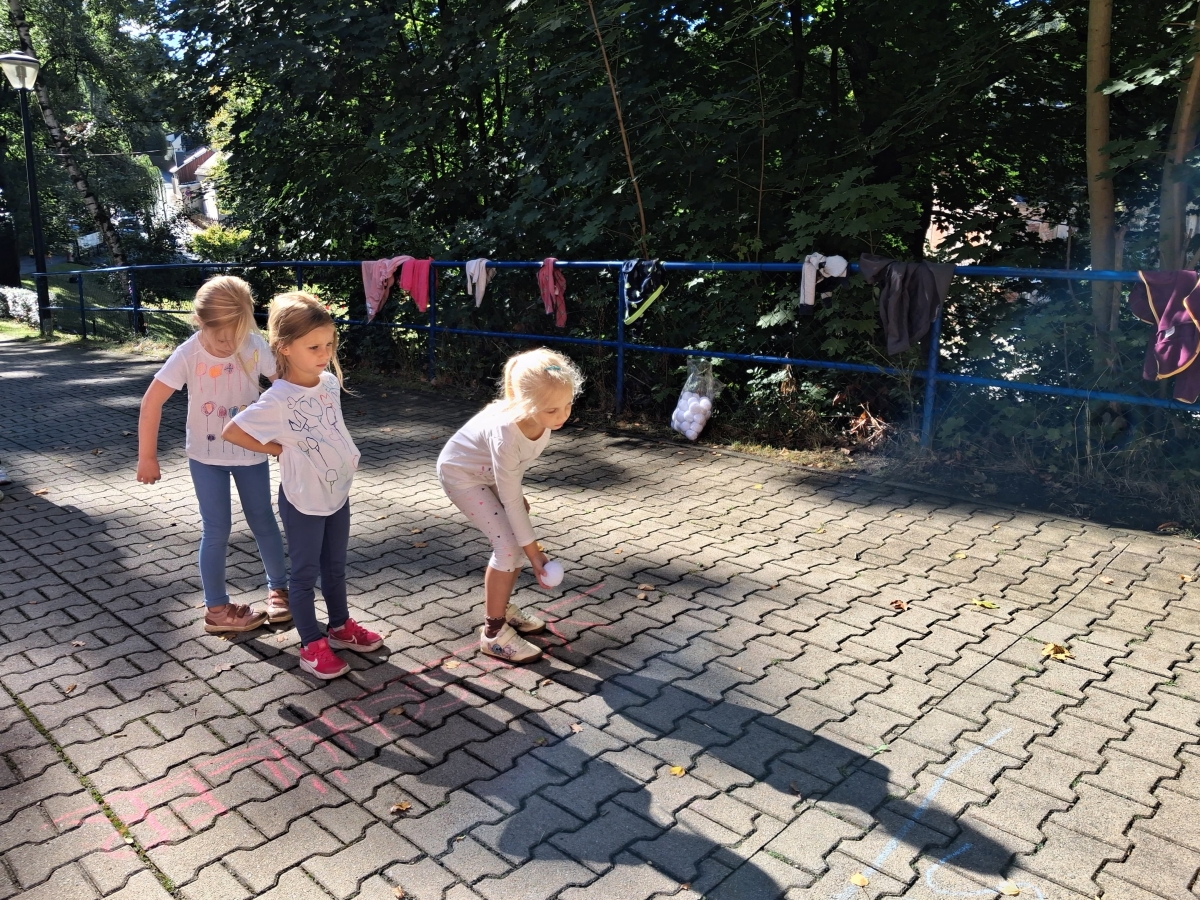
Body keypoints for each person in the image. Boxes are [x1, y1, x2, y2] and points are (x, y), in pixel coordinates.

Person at [222, 292, 382, 679]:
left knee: (336, 567)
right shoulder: (277, 398)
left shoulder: (327, 383)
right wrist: (279, 448)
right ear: (285, 347)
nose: (324, 354)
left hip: (336, 493)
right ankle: (311, 644)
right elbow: (232, 431)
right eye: (313, 347)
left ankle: (340, 627)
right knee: (305, 574)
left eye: (329, 344)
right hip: (302, 499)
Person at [136, 275, 288, 634]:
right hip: (205, 458)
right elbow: (151, 402)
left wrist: (287, 438)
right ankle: (217, 609)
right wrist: (147, 456)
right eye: (220, 338)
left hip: (250, 453)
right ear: (199, 322)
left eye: (236, 335)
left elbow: (284, 388)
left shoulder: (254, 345)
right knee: (216, 529)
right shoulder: (188, 353)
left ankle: (280, 591)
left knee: (263, 519)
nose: (229, 344)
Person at [437, 347, 583, 663]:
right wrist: (536, 555)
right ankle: (493, 634)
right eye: (552, 410)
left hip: (486, 472)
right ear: (525, 404)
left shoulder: (541, 420)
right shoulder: (506, 433)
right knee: (508, 546)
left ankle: (501, 608)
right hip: (461, 476)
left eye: (568, 405)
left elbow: (514, 480)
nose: (562, 416)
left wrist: (512, 496)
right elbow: (511, 491)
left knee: (517, 529)